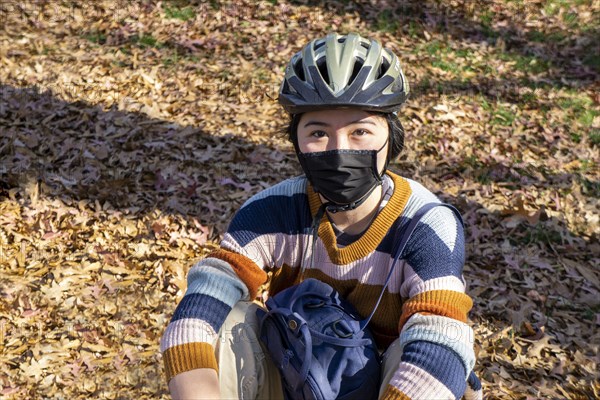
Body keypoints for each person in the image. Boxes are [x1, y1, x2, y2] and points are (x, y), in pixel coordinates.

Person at [160, 32, 482, 399]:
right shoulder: (272, 210)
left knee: (445, 363)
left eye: (360, 131)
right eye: (318, 132)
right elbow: (196, 314)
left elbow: (441, 336)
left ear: (392, 138)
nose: (339, 150)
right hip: (300, 372)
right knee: (228, 323)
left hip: (392, 386)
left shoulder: (426, 224)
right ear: (295, 139)